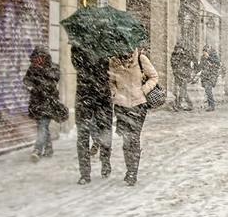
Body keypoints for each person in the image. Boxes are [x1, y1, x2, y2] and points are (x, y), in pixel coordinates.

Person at [109, 48, 159, 186]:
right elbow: (111, 81)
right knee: (126, 140)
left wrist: (143, 90)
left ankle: (132, 172)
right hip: (121, 106)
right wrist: (114, 93)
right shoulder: (113, 61)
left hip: (138, 105)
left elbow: (154, 77)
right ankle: (129, 168)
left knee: (134, 138)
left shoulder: (140, 59)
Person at [71, 45, 112, 185]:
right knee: (82, 135)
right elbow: (76, 64)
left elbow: (111, 67)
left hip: (102, 97)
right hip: (84, 97)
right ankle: (85, 173)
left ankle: (105, 162)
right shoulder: (78, 46)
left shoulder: (107, 44)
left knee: (105, 131)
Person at [23, 47, 61, 161]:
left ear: (45, 57)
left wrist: (40, 78)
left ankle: (37, 150)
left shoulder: (53, 68)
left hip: (49, 103)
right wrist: (30, 82)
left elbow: (52, 82)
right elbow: (26, 80)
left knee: (42, 126)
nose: (38, 60)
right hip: (36, 103)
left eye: (40, 58)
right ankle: (49, 149)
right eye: (36, 58)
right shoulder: (32, 68)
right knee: (42, 127)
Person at [170, 42, 194, 111]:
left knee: (182, 91)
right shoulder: (174, 56)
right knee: (178, 91)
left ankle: (180, 105)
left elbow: (188, 66)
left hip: (183, 76)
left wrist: (186, 73)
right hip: (177, 75)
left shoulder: (185, 55)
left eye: (180, 48)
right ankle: (187, 104)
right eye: (178, 48)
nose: (179, 50)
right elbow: (173, 65)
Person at [198, 45, 221, 111]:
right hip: (205, 76)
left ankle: (212, 105)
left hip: (211, 75)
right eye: (204, 51)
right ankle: (210, 104)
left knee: (208, 89)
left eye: (206, 51)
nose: (204, 53)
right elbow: (200, 66)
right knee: (207, 90)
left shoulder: (214, 56)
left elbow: (217, 63)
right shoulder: (203, 57)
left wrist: (209, 58)